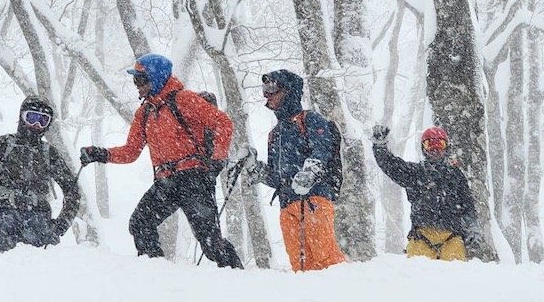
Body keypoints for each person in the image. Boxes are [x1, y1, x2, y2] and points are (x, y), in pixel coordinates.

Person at [80, 53, 242, 268]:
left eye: (141, 79)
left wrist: (218, 157)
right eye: (135, 80)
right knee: (140, 223)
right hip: (165, 181)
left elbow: (223, 122)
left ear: (156, 78)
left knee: (210, 243)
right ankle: (155, 273)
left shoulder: (184, 99)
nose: (137, 85)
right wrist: (101, 154)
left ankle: (238, 277)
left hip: (194, 178)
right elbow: (131, 152)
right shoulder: (144, 112)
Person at [243, 69, 346, 272]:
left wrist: (310, 172)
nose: (267, 94)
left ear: (289, 90)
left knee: (327, 261)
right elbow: (276, 176)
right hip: (287, 205)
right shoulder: (274, 134)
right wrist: (258, 171)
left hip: (313, 200)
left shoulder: (309, 119)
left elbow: (323, 149)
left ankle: (341, 295)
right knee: (300, 267)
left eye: (272, 88)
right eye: (265, 89)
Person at [0, 96, 80, 254]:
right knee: (2, 263)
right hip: (5, 216)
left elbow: (72, 190)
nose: (36, 125)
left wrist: (62, 223)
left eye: (43, 120)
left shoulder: (48, 152)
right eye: (32, 118)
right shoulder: (3, 144)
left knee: (40, 269)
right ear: (21, 117)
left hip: (39, 219)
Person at [372, 124, 480, 261]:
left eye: (440, 144)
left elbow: (467, 205)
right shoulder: (415, 173)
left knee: (455, 274)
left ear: (446, 148)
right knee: (417, 274)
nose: (435, 149)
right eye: (430, 144)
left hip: (452, 237)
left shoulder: (455, 175)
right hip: (422, 237)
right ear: (424, 149)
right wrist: (380, 147)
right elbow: (392, 166)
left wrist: (473, 228)